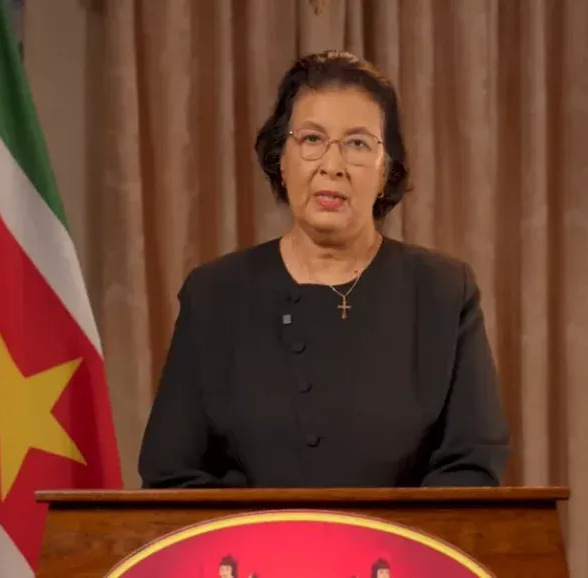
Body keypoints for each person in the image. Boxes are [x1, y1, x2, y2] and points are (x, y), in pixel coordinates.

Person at [138, 50, 510, 489]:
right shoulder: (214, 295)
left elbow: (471, 467)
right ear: (281, 158)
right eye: (312, 139)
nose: (332, 167)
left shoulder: (443, 292)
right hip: (253, 537)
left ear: (386, 171)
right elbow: (170, 474)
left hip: (397, 538)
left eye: (357, 144)